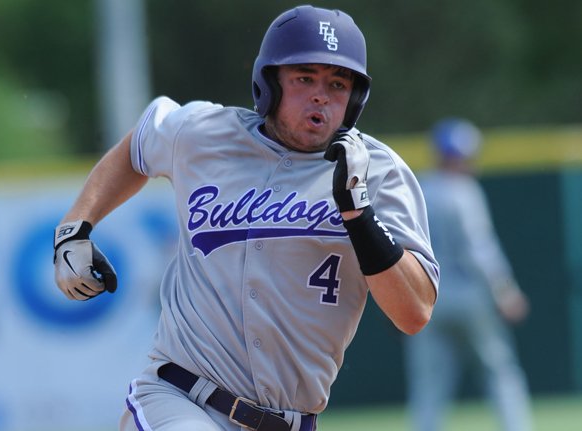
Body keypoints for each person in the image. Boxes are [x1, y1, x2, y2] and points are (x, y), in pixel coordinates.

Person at [53, 5, 438, 431]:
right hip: (181, 397)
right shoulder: (204, 132)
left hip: (291, 421)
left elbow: (414, 311)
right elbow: (137, 146)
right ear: (269, 83)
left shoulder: (380, 172)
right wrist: (75, 229)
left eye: (338, 83)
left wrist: (359, 215)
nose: (321, 96)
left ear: (355, 99)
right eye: (304, 77)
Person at [404, 118, 533, 431]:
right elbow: (480, 250)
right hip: (470, 295)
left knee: (429, 384)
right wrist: (505, 291)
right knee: (500, 371)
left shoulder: (418, 187)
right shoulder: (464, 190)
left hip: (427, 298)